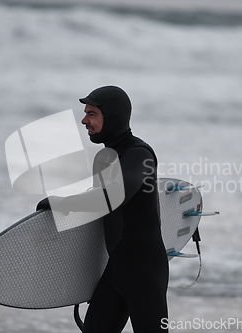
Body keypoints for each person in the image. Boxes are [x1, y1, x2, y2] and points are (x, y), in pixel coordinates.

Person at [38, 86, 169, 332]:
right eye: (85, 113)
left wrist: (64, 204)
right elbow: (102, 213)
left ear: (113, 116)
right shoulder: (104, 158)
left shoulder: (140, 155)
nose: (84, 120)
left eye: (92, 114)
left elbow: (113, 197)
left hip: (145, 273)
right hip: (116, 269)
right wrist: (88, 275)